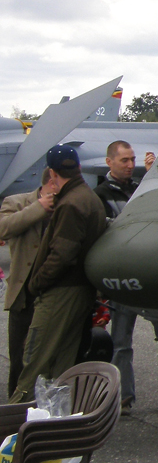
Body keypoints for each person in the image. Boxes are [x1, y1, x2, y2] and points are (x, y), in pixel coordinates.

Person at [95, 140, 158, 414]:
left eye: (132, 160)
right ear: (109, 162)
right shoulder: (101, 195)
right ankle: (123, 396)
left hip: (154, 277)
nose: (130, 165)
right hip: (123, 277)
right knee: (121, 342)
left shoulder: (144, 188)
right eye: (124, 160)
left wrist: (156, 178)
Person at [9, 145, 107, 404]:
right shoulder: (88, 197)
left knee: (33, 361)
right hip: (79, 291)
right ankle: (55, 424)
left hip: (60, 292)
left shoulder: (71, 203)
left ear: (52, 173)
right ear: (76, 167)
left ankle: (13, 425)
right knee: (61, 366)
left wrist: (36, 283)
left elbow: (62, 254)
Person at [0, 168, 54, 397]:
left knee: (51, 360)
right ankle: (16, 409)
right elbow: (4, 228)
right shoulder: (17, 202)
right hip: (24, 296)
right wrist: (39, 207)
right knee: (19, 361)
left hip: (53, 294)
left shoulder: (69, 205)